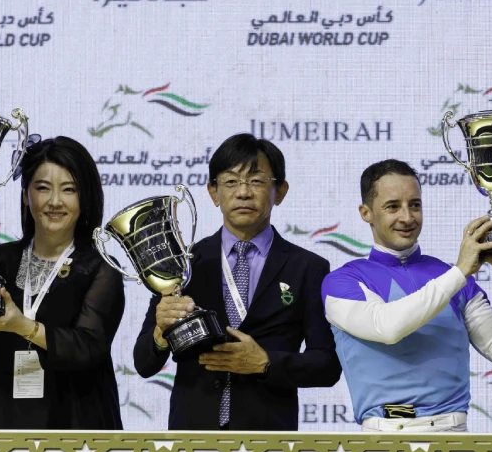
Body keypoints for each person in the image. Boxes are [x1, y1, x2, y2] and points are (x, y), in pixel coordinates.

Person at [133, 133, 341, 429]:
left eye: (257, 181)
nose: (243, 192)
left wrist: (266, 363)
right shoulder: (184, 263)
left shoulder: (307, 268)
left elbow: (327, 365)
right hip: (192, 438)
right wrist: (159, 331)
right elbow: (143, 363)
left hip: (270, 441)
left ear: (279, 192)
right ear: (213, 192)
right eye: (230, 182)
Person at [320, 159, 492, 432]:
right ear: (366, 212)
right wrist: (459, 272)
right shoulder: (342, 281)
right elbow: (388, 327)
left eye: (415, 205)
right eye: (392, 206)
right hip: (382, 441)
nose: (407, 218)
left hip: (455, 438)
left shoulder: (456, 280)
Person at [0, 135, 124, 429]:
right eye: (42, 188)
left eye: (69, 189)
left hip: (74, 426)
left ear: (86, 197)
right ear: (26, 195)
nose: (54, 201)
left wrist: (22, 327)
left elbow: (89, 347)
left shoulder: (100, 269)